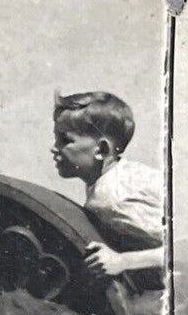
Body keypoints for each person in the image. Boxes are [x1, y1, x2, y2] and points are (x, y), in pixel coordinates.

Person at [50, 90, 165, 290]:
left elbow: (181, 250)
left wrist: (122, 261)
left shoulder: (111, 198)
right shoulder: (118, 179)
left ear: (102, 150)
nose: (54, 148)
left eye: (65, 140)